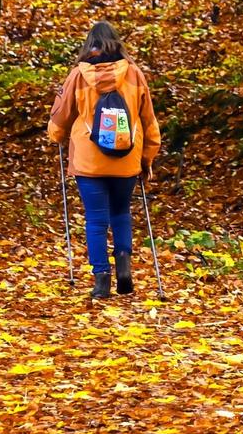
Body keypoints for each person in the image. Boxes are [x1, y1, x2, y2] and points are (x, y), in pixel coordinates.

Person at [47, 20, 161, 299]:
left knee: (96, 219)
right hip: (126, 159)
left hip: (89, 161)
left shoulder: (78, 75)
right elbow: (148, 121)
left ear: (90, 45)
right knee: (121, 212)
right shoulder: (134, 74)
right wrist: (147, 160)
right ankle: (124, 266)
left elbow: (60, 116)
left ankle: (101, 280)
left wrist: (56, 135)